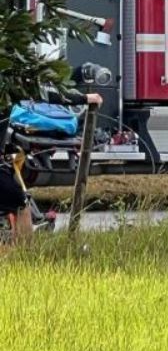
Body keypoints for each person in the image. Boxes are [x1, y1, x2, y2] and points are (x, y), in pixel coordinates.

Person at [2, 89, 101, 245]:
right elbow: (43, 94)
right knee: (19, 201)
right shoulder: (8, 83)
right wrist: (84, 98)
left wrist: (82, 98)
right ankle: (25, 255)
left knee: (14, 194)